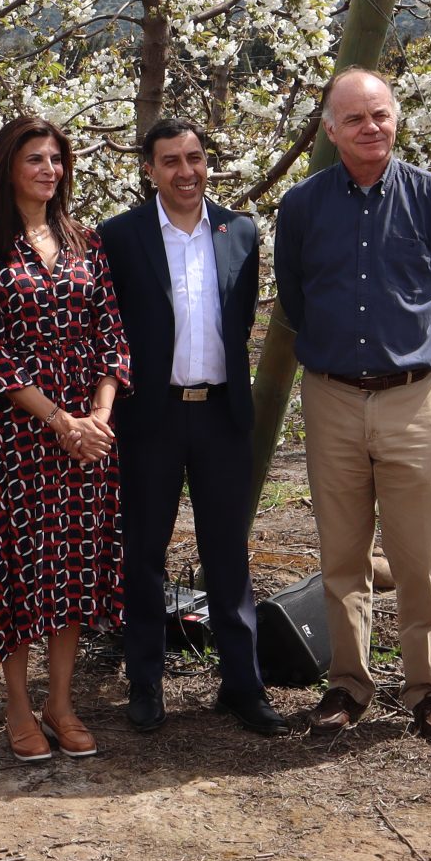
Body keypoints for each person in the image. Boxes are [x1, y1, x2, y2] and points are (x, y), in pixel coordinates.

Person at [274, 67, 431, 745]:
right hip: (331, 395)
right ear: (330, 130)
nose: (371, 127)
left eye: (381, 115)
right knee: (343, 552)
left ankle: (428, 689)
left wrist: (411, 342)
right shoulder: (302, 206)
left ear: (397, 120)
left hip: (411, 398)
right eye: (355, 118)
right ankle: (348, 683)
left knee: (420, 553)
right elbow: (295, 295)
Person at [0, 114, 132, 762]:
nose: (49, 169)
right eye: (36, 159)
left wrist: (99, 417)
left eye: (57, 158)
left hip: (89, 440)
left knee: (73, 573)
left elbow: (110, 332)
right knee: (21, 576)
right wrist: (62, 422)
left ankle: (61, 700)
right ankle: (19, 706)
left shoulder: (85, 242)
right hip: (21, 442)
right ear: (9, 167)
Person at [97, 119, 285, 739]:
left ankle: (241, 684)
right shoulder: (120, 237)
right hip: (150, 416)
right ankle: (145, 682)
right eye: (171, 160)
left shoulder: (240, 232)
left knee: (228, 554)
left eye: (196, 158)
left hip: (222, 416)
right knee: (144, 554)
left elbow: (240, 323)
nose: (186, 171)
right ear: (149, 169)